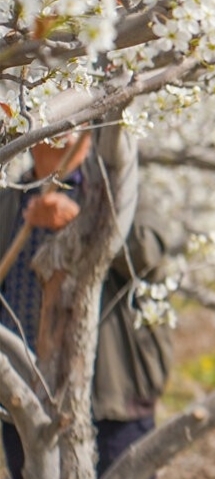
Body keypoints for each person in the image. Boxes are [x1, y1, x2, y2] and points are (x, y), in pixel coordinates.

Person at [0, 108, 172, 478]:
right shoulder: (11, 199)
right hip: (23, 394)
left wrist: (81, 220)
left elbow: (149, 252)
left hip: (108, 395)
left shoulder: (115, 186)